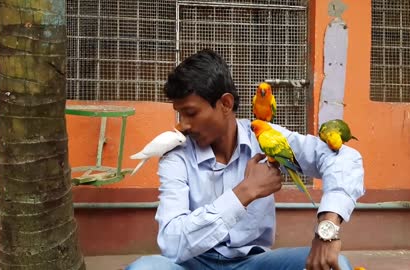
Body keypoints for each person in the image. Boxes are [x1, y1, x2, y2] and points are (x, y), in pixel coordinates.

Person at [126, 49, 364, 270]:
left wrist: (327, 229)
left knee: (336, 265)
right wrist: (245, 192)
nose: (183, 125)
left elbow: (345, 159)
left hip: (253, 262)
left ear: (225, 104)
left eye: (191, 113)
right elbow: (172, 242)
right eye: (179, 114)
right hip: (191, 264)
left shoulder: (264, 137)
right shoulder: (176, 155)